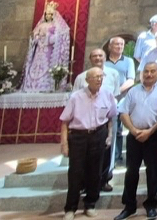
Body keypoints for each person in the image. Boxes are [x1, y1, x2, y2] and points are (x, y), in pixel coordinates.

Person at [115, 63, 157, 220]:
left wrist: (149, 131)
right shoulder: (133, 90)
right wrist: (134, 131)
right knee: (131, 171)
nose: (149, 74)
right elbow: (123, 112)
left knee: (153, 172)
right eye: (146, 71)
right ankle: (129, 206)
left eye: (152, 71)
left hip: (154, 135)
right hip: (134, 135)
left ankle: (151, 205)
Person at [60, 68, 117, 220]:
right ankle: (70, 208)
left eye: (101, 76)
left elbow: (111, 118)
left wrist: (110, 135)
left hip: (99, 134)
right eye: (96, 77)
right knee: (76, 172)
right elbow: (64, 121)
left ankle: (90, 204)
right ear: (87, 80)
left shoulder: (107, 94)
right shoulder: (76, 97)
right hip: (79, 136)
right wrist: (64, 143)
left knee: (95, 172)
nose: (99, 79)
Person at [71, 48, 120, 191]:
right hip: (86, 120)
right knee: (87, 154)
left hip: (107, 117)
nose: (98, 58)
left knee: (107, 150)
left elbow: (116, 94)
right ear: (90, 59)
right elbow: (75, 99)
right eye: (94, 56)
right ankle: (85, 183)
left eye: (100, 55)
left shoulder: (113, 74)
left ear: (105, 58)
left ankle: (104, 179)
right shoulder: (81, 77)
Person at [22, 0, 71, 92]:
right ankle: (33, 86)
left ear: (53, 15)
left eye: (50, 14)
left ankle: (45, 85)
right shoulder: (41, 25)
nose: (48, 16)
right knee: (36, 66)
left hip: (48, 51)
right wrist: (34, 37)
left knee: (47, 66)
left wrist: (47, 37)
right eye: (47, 14)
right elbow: (35, 36)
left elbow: (58, 38)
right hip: (39, 50)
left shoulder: (56, 26)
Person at [105, 36, 136, 164]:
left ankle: (117, 156)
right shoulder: (104, 62)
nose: (119, 47)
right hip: (105, 98)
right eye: (116, 44)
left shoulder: (128, 61)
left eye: (121, 45)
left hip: (121, 98)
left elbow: (131, 80)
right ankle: (107, 153)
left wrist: (116, 92)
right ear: (110, 46)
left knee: (117, 127)